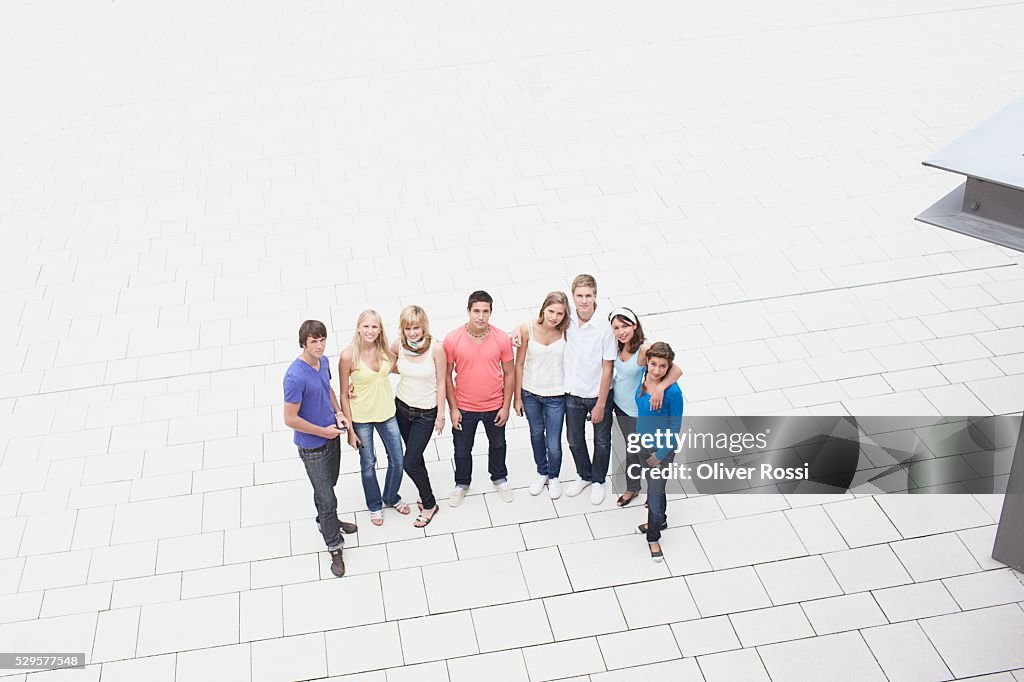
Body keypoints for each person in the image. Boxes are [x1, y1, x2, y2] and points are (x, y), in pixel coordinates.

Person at [283, 320, 358, 578]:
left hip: (332, 437)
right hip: (313, 447)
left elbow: (327, 388)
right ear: (303, 343)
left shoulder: (323, 361)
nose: (319, 345)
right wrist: (322, 431)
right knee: (327, 498)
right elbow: (290, 419)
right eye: (313, 341)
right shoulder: (294, 376)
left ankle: (326, 520)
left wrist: (338, 413)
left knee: (328, 486)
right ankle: (333, 544)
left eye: (322, 340)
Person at [444, 290, 515, 507]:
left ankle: (499, 478)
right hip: (464, 407)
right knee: (462, 449)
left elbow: (510, 373)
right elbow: (446, 375)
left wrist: (506, 407)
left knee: (498, 444)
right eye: (476, 311)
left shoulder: (501, 338)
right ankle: (462, 483)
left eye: (485, 311)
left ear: (491, 312)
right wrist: (453, 409)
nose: (481, 316)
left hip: (495, 405)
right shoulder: (452, 339)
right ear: (468, 311)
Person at [339, 310, 409, 526]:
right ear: (359, 328)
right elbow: (342, 393)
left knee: (398, 460)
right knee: (368, 463)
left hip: (387, 413)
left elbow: (401, 368)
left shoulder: (386, 351)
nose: (370, 331)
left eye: (375, 327)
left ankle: (390, 497)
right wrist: (350, 430)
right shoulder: (348, 356)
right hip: (361, 418)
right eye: (366, 326)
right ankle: (375, 505)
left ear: (380, 330)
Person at [608, 307, 683, 507]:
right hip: (620, 407)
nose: (621, 331)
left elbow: (675, 368)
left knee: (646, 455)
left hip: (637, 412)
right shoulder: (615, 344)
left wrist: (660, 388)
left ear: (634, 326)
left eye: (625, 326)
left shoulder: (643, 348)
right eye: (616, 327)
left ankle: (654, 495)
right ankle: (633, 487)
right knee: (631, 450)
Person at [562, 274, 617, 505]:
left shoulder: (605, 328)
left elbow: (608, 368)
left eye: (588, 296)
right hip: (573, 393)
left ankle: (598, 480)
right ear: (573, 296)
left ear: (596, 296)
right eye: (579, 296)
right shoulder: (568, 320)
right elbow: (540, 324)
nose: (584, 301)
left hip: (598, 394)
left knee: (602, 441)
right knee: (574, 439)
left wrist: (601, 404)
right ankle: (584, 475)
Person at [390, 305, 446, 527]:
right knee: (416, 457)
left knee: (409, 462)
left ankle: (430, 504)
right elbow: (387, 366)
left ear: (424, 327)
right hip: (402, 408)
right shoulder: (398, 345)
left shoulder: (436, 349)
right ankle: (425, 496)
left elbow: (442, 382)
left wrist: (441, 415)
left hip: (425, 413)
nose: (412, 333)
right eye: (407, 328)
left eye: (416, 327)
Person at [514, 292, 569, 499]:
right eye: (551, 311)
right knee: (536, 434)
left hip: (556, 394)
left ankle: (554, 476)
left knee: (553, 442)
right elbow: (518, 364)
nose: (554, 317)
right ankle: (542, 471)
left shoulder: (567, 332)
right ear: (543, 309)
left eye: (559, 314)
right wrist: (517, 397)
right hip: (530, 393)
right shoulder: (527, 329)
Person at [635, 342, 684, 563]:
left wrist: (661, 455)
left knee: (653, 497)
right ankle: (660, 520)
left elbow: (675, 428)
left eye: (662, 366)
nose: (656, 370)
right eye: (653, 364)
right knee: (655, 488)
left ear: (668, 367)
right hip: (642, 444)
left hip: (659, 451)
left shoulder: (673, 392)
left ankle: (653, 537)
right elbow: (644, 348)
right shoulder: (644, 377)